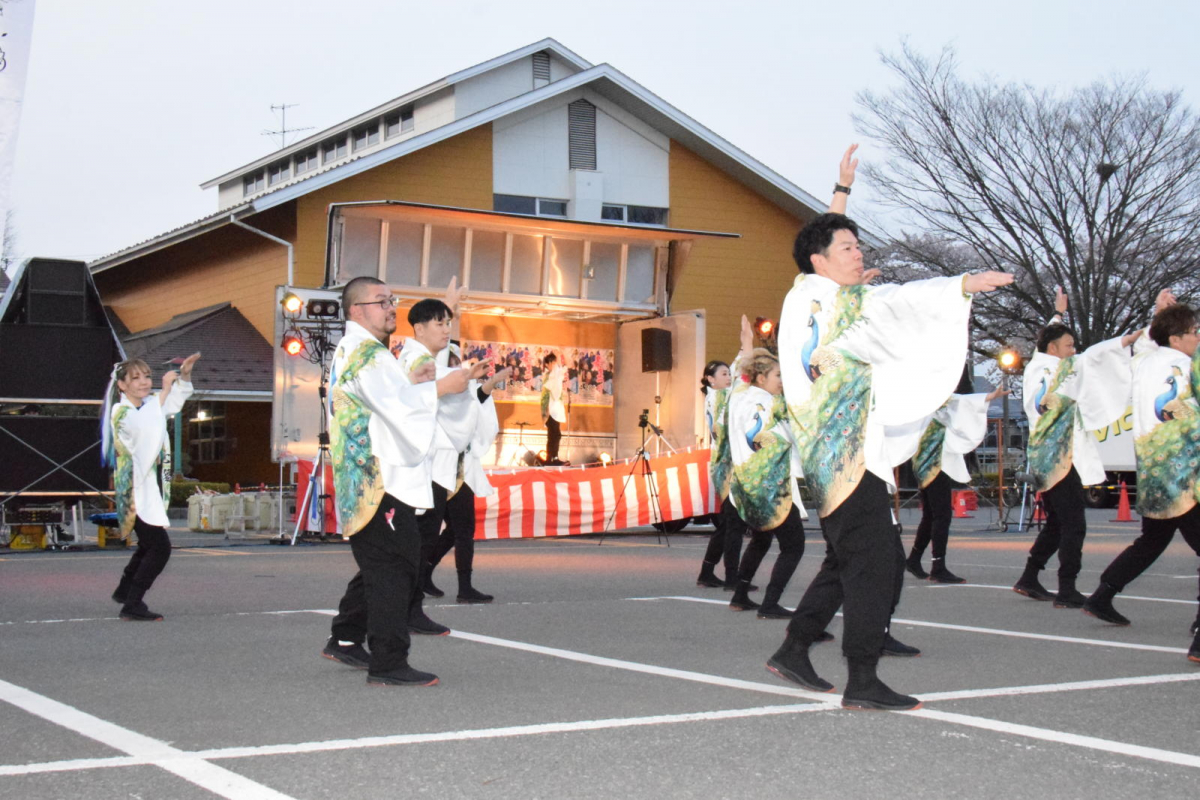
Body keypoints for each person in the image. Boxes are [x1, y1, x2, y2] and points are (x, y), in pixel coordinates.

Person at [765, 145, 1014, 711]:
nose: (858, 255)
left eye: (860, 246)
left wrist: (842, 194)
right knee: (878, 563)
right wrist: (961, 285)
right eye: (849, 249)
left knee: (847, 559)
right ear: (819, 261)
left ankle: (796, 648)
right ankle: (862, 678)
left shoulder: (818, 295)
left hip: (850, 455)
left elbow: (824, 244)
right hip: (846, 458)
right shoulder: (827, 298)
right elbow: (894, 295)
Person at [322, 277, 474, 686]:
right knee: (395, 568)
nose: (391, 307)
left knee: (389, 563)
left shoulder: (362, 351)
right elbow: (395, 408)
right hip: (377, 480)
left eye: (392, 300)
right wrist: (442, 386)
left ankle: (349, 639)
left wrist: (418, 384)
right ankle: (387, 661)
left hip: (373, 479)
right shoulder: (365, 354)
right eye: (381, 301)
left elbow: (387, 401)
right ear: (356, 310)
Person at [1082, 296, 1200, 662]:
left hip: (1152, 471)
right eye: (1194, 332)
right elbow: (1189, 415)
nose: (1198, 338)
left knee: (1152, 540)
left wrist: (1159, 312)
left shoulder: (1147, 360)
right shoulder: (1183, 366)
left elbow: (1150, 339)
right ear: (1178, 338)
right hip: (1185, 474)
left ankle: (1102, 596)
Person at [1014, 290, 1141, 608]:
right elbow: (1083, 365)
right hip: (1055, 458)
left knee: (1059, 522)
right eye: (1069, 346)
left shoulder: (1044, 365)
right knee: (1074, 523)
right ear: (1054, 349)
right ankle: (1066, 587)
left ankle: (1029, 577)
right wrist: (1120, 344)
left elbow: (1053, 347)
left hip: (1053, 456)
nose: (1074, 351)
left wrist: (1058, 314)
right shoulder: (1048, 372)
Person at [397, 291, 490, 633]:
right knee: (413, 543)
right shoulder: (414, 360)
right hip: (423, 465)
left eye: (448, 322)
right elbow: (432, 400)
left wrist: (466, 379)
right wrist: (461, 382)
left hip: (435, 465)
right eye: (440, 323)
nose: (446, 329)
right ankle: (398, 613)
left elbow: (448, 391)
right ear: (419, 328)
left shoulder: (426, 358)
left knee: (420, 540)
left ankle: (402, 610)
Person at [424, 285, 512, 603]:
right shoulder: (432, 375)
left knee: (462, 528)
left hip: (460, 464)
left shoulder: (456, 373)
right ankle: (418, 580)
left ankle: (463, 586)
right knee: (431, 530)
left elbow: (475, 398)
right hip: (437, 464)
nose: (446, 335)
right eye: (442, 327)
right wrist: (448, 307)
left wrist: (492, 381)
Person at [104, 352, 200, 621]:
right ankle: (132, 603)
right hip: (135, 489)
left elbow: (171, 406)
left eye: (146, 376)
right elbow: (147, 425)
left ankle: (125, 591)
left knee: (148, 545)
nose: (144, 382)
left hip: (145, 486)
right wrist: (166, 387)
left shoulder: (147, 405)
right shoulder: (121, 411)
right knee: (159, 548)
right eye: (136, 378)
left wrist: (185, 375)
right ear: (122, 385)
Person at [723, 347, 813, 620]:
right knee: (794, 545)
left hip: (746, 482)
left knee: (761, 538)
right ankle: (770, 602)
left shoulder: (739, 397)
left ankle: (740, 594)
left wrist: (744, 347)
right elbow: (781, 436)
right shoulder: (770, 404)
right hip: (772, 486)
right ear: (761, 378)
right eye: (777, 375)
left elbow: (738, 377)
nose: (781, 380)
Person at [905, 370, 1006, 583]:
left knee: (932, 514)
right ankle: (938, 566)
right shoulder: (929, 397)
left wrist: (986, 398)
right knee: (941, 514)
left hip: (928, 459)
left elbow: (957, 402)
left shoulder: (922, 397)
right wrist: (988, 397)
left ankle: (914, 559)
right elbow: (958, 402)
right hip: (932, 461)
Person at [695, 316, 754, 589]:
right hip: (727, 465)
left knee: (729, 525)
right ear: (710, 379)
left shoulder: (718, 395)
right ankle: (732, 578)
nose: (729, 377)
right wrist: (745, 344)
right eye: (723, 374)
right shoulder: (716, 397)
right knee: (734, 525)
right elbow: (721, 428)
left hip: (727, 463)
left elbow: (738, 367)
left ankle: (709, 572)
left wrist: (745, 343)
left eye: (728, 374)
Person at [541, 352, 566, 463]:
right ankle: (551, 458)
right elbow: (556, 377)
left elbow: (563, 369)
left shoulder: (555, 374)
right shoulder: (548, 376)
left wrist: (562, 352)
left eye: (556, 362)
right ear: (548, 364)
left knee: (555, 434)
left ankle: (551, 458)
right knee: (553, 434)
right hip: (550, 409)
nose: (556, 365)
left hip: (556, 408)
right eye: (554, 362)